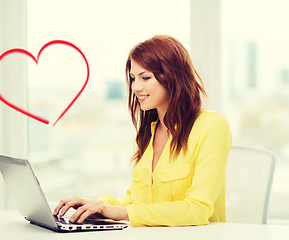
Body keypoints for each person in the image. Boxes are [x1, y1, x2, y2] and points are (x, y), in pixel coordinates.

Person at [53, 35, 232, 226]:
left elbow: (197, 210)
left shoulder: (213, 126)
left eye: (145, 77)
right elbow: (138, 203)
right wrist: (98, 206)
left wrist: (118, 212)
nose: (136, 87)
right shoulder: (150, 132)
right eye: (132, 78)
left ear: (173, 76)